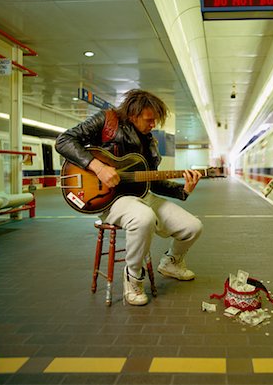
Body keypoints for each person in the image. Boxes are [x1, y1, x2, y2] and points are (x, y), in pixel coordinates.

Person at [56, 90, 203, 306]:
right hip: (111, 199)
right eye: (149, 119)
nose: (153, 124)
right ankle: (133, 278)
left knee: (193, 226)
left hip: (142, 195)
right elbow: (64, 140)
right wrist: (98, 167)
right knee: (143, 217)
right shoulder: (107, 120)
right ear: (133, 114)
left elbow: (152, 180)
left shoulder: (150, 142)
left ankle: (172, 262)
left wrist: (184, 190)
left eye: (156, 120)